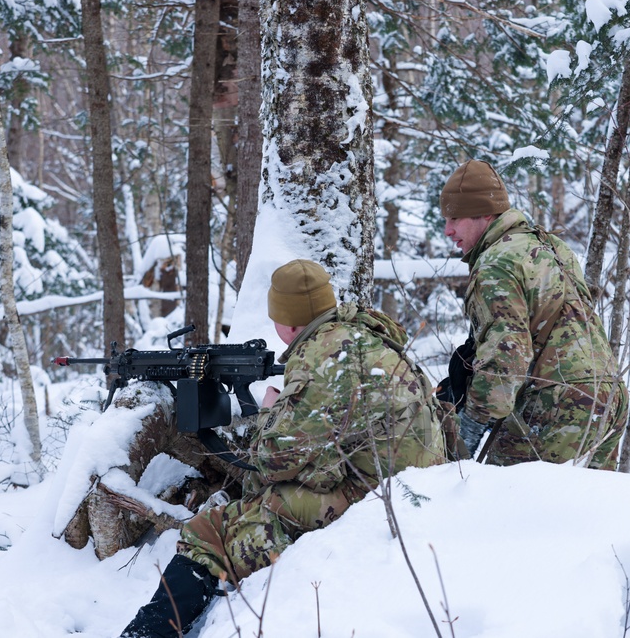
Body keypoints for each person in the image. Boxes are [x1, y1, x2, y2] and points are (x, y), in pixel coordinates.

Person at [121, 259, 447, 637]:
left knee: (208, 532)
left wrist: (269, 414)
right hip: (413, 486)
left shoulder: (324, 360)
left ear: (289, 321)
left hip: (377, 503)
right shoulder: (362, 334)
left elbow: (274, 461)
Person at [438, 159, 627, 469]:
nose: (448, 230)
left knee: (508, 508)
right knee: (590, 513)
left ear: (486, 213)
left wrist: (469, 429)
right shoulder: (550, 246)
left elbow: (506, 357)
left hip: (558, 404)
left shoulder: (495, 265)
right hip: (609, 396)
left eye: (455, 218)